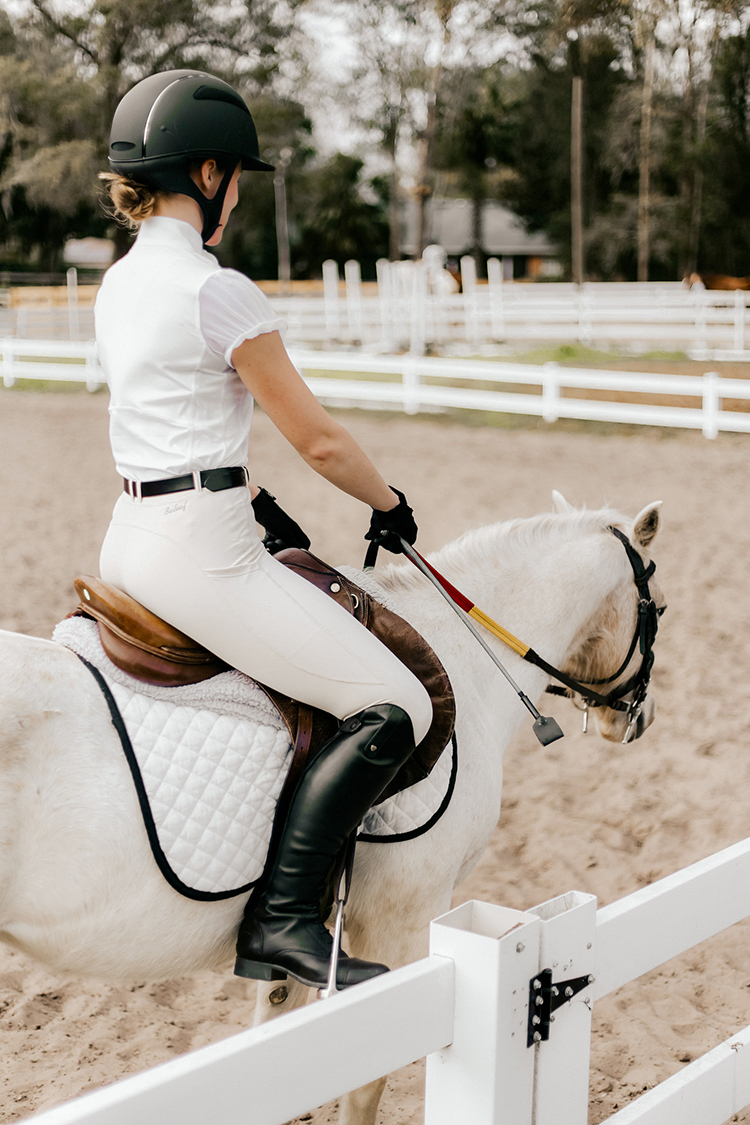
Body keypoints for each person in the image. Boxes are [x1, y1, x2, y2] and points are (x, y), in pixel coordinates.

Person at [95, 70, 433, 990]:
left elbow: (170, 419)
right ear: (208, 174)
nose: (238, 192)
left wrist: (247, 494)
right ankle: (282, 920)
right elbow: (319, 440)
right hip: (201, 552)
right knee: (395, 706)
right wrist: (388, 502)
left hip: (129, 531)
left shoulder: (118, 284)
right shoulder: (218, 288)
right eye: (236, 175)